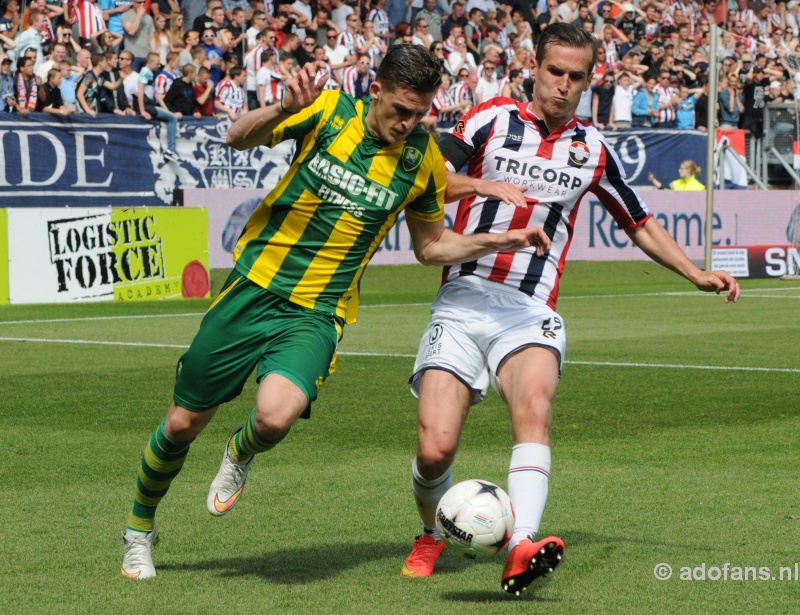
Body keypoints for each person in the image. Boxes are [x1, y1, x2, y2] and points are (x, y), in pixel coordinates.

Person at [119, 43, 550, 581]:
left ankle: (241, 449)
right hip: (253, 289)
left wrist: (498, 240)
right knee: (182, 423)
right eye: (400, 109)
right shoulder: (325, 111)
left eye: (420, 113)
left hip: (319, 312)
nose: (410, 123)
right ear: (375, 91)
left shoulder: (422, 160)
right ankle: (139, 530)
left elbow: (431, 247)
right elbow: (235, 135)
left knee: (275, 416)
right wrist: (280, 109)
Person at [400, 23, 740, 595]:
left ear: (588, 80)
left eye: (575, 76)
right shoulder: (489, 120)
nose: (562, 85)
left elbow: (638, 221)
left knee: (533, 405)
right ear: (534, 67)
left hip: (530, 308)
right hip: (462, 300)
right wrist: (484, 187)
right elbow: (425, 178)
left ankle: (520, 545)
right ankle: (431, 533)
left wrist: (695, 272)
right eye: (554, 71)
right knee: (435, 450)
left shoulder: (593, 150)